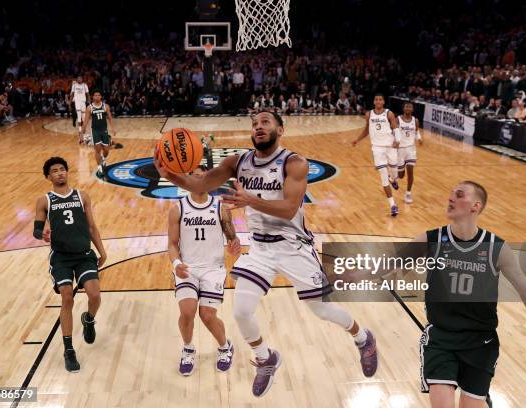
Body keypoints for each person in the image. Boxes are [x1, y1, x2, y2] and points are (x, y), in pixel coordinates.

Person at [154, 111, 378, 397]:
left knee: (321, 309)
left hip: (293, 246)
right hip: (260, 247)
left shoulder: (295, 163)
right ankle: (265, 357)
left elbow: (288, 209)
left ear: (280, 130)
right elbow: (199, 185)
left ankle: (363, 338)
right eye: (254, 124)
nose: (258, 127)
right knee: (241, 311)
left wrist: (250, 200)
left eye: (265, 122)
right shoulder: (238, 162)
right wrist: (170, 175)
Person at [414, 181, 526, 407]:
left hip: (481, 342)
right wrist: (352, 274)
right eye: (450, 193)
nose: (451, 198)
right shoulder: (431, 239)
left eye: (459, 195)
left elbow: (525, 287)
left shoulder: (495, 247)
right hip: (441, 338)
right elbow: (387, 263)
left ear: (475, 206)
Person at [33, 157, 107, 372]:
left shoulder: (82, 196)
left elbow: (92, 226)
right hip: (61, 257)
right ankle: (69, 350)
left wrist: (102, 251)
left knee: (95, 295)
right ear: (48, 177)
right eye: (54, 171)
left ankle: (89, 319)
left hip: (84, 254)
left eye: (62, 169)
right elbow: (37, 229)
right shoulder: (44, 200)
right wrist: (42, 233)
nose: (60, 173)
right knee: (67, 296)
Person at [168, 165, 240, 376]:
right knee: (187, 311)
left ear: (210, 180)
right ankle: (188, 349)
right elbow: (172, 244)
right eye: (194, 177)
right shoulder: (178, 208)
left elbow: (232, 238)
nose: (199, 180)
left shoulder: (220, 208)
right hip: (187, 268)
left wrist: (234, 244)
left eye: (203, 177)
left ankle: (225, 346)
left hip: (213, 269)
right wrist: (175, 264)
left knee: (207, 315)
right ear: (187, 180)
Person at [351, 94, 402, 216]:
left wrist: (398, 140)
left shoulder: (389, 113)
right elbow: (366, 130)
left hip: (390, 146)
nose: (378, 101)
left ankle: (393, 178)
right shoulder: (369, 114)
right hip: (377, 148)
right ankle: (393, 205)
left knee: (395, 172)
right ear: (374, 102)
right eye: (376, 100)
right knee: (383, 177)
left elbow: (395, 128)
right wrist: (357, 140)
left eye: (380, 99)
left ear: (383, 102)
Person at [81, 91, 116, 179]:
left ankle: (103, 159)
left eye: (98, 95)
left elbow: (110, 118)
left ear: (101, 97)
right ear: (93, 97)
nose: (97, 97)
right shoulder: (90, 107)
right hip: (95, 131)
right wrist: (82, 131)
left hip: (104, 130)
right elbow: (86, 121)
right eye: (95, 95)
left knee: (106, 150)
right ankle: (100, 168)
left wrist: (113, 128)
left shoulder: (105, 106)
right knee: (97, 149)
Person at [397, 102, 423, 204]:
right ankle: (393, 176)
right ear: (403, 108)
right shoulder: (397, 119)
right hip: (400, 149)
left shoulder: (415, 120)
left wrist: (419, 139)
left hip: (411, 149)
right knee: (401, 175)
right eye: (406, 106)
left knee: (410, 171)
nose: (408, 108)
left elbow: (416, 132)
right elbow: (393, 132)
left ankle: (408, 193)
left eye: (410, 107)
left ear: (412, 109)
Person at [70, 76, 90, 144]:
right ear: (77, 79)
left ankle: (83, 129)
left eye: (80, 78)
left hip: (83, 102)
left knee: (83, 117)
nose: (79, 79)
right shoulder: (74, 85)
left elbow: (87, 94)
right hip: (77, 101)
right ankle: (79, 130)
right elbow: (72, 94)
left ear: (82, 79)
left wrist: (89, 102)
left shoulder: (85, 85)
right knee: (79, 116)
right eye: (78, 78)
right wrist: (70, 103)